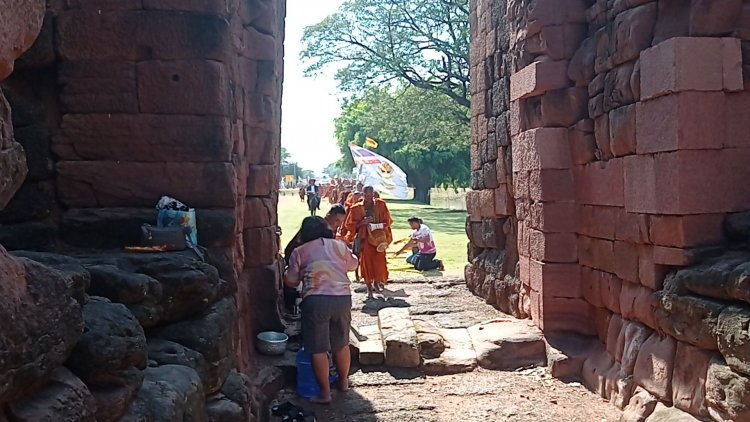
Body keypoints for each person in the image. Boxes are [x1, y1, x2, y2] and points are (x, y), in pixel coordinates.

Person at [284, 216, 358, 404]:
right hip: (342, 298)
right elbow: (353, 264)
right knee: (341, 343)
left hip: (315, 300)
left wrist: (293, 273)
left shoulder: (300, 251)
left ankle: (325, 394)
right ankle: (343, 382)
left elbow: (291, 281)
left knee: (318, 348)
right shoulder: (339, 246)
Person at [344, 186, 393, 298]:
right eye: (367, 195)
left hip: (379, 239)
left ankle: (376, 283)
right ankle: (369, 288)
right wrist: (363, 222)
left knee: (379, 262)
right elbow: (349, 225)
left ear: (373, 194)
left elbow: (388, 221)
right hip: (365, 240)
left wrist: (379, 226)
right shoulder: (356, 208)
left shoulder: (381, 205)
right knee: (366, 264)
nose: (369, 197)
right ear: (363, 195)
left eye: (371, 195)